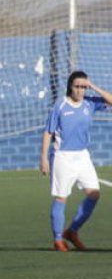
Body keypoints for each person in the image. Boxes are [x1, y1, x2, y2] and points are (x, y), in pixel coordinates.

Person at [40, 71, 112, 251]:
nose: (80, 90)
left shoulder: (89, 103)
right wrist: (43, 158)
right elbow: (48, 131)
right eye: (77, 86)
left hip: (82, 156)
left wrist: (93, 86)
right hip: (62, 156)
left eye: (83, 87)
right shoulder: (61, 105)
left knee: (94, 193)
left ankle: (72, 231)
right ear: (70, 87)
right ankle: (58, 240)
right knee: (61, 197)